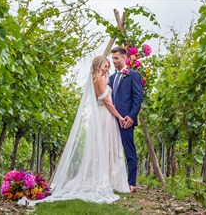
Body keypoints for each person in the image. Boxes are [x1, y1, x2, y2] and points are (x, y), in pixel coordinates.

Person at [18, 56, 130, 207]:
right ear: (98, 66)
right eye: (105, 65)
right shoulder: (101, 79)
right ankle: (107, 179)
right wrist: (119, 116)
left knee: (101, 147)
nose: (107, 68)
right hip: (105, 115)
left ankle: (105, 178)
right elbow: (107, 102)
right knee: (107, 147)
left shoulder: (94, 80)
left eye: (108, 66)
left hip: (99, 114)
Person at [109, 46, 143, 193]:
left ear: (124, 58)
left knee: (129, 151)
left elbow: (138, 98)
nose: (114, 61)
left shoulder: (133, 75)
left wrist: (131, 116)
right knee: (111, 150)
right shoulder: (111, 78)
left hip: (126, 120)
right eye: (113, 58)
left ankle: (132, 183)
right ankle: (113, 181)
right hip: (111, 119)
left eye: (116, 58)